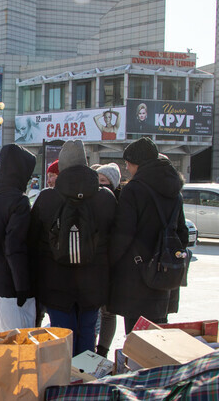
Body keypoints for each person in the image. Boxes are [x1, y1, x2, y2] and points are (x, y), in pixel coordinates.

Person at [29, 141, 116, 356]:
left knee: (60, 334)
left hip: (55, 282)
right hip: (94, 283)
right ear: (85, 163)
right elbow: (115, 239)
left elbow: (32, 240)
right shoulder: (105, 198)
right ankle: (83, 380)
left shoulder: (47, 198)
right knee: (87, 330)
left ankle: (62, 380)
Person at [108, 138, 188, 334]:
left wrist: (109, 260)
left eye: (128, 163)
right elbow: (182, 233)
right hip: (167, 272)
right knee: (158, 335)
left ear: (138, 162)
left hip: (138, 276)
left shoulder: (134, 190)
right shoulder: (174, 191)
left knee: (136, 337)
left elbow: (123, 234)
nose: (126, 168)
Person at [0, 144, 36, 333]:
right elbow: (14, 247)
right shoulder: (18, 201)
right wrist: (23, 287)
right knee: (8, 347)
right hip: (7, 281)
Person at [93, 162, 122, 356]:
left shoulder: (120, 204)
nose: (100, 185)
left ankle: (102, 350)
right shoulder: (93, 200)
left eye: (104, 181)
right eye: (97, 180)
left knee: (108, 312)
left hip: (112, 265)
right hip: (95, 263)